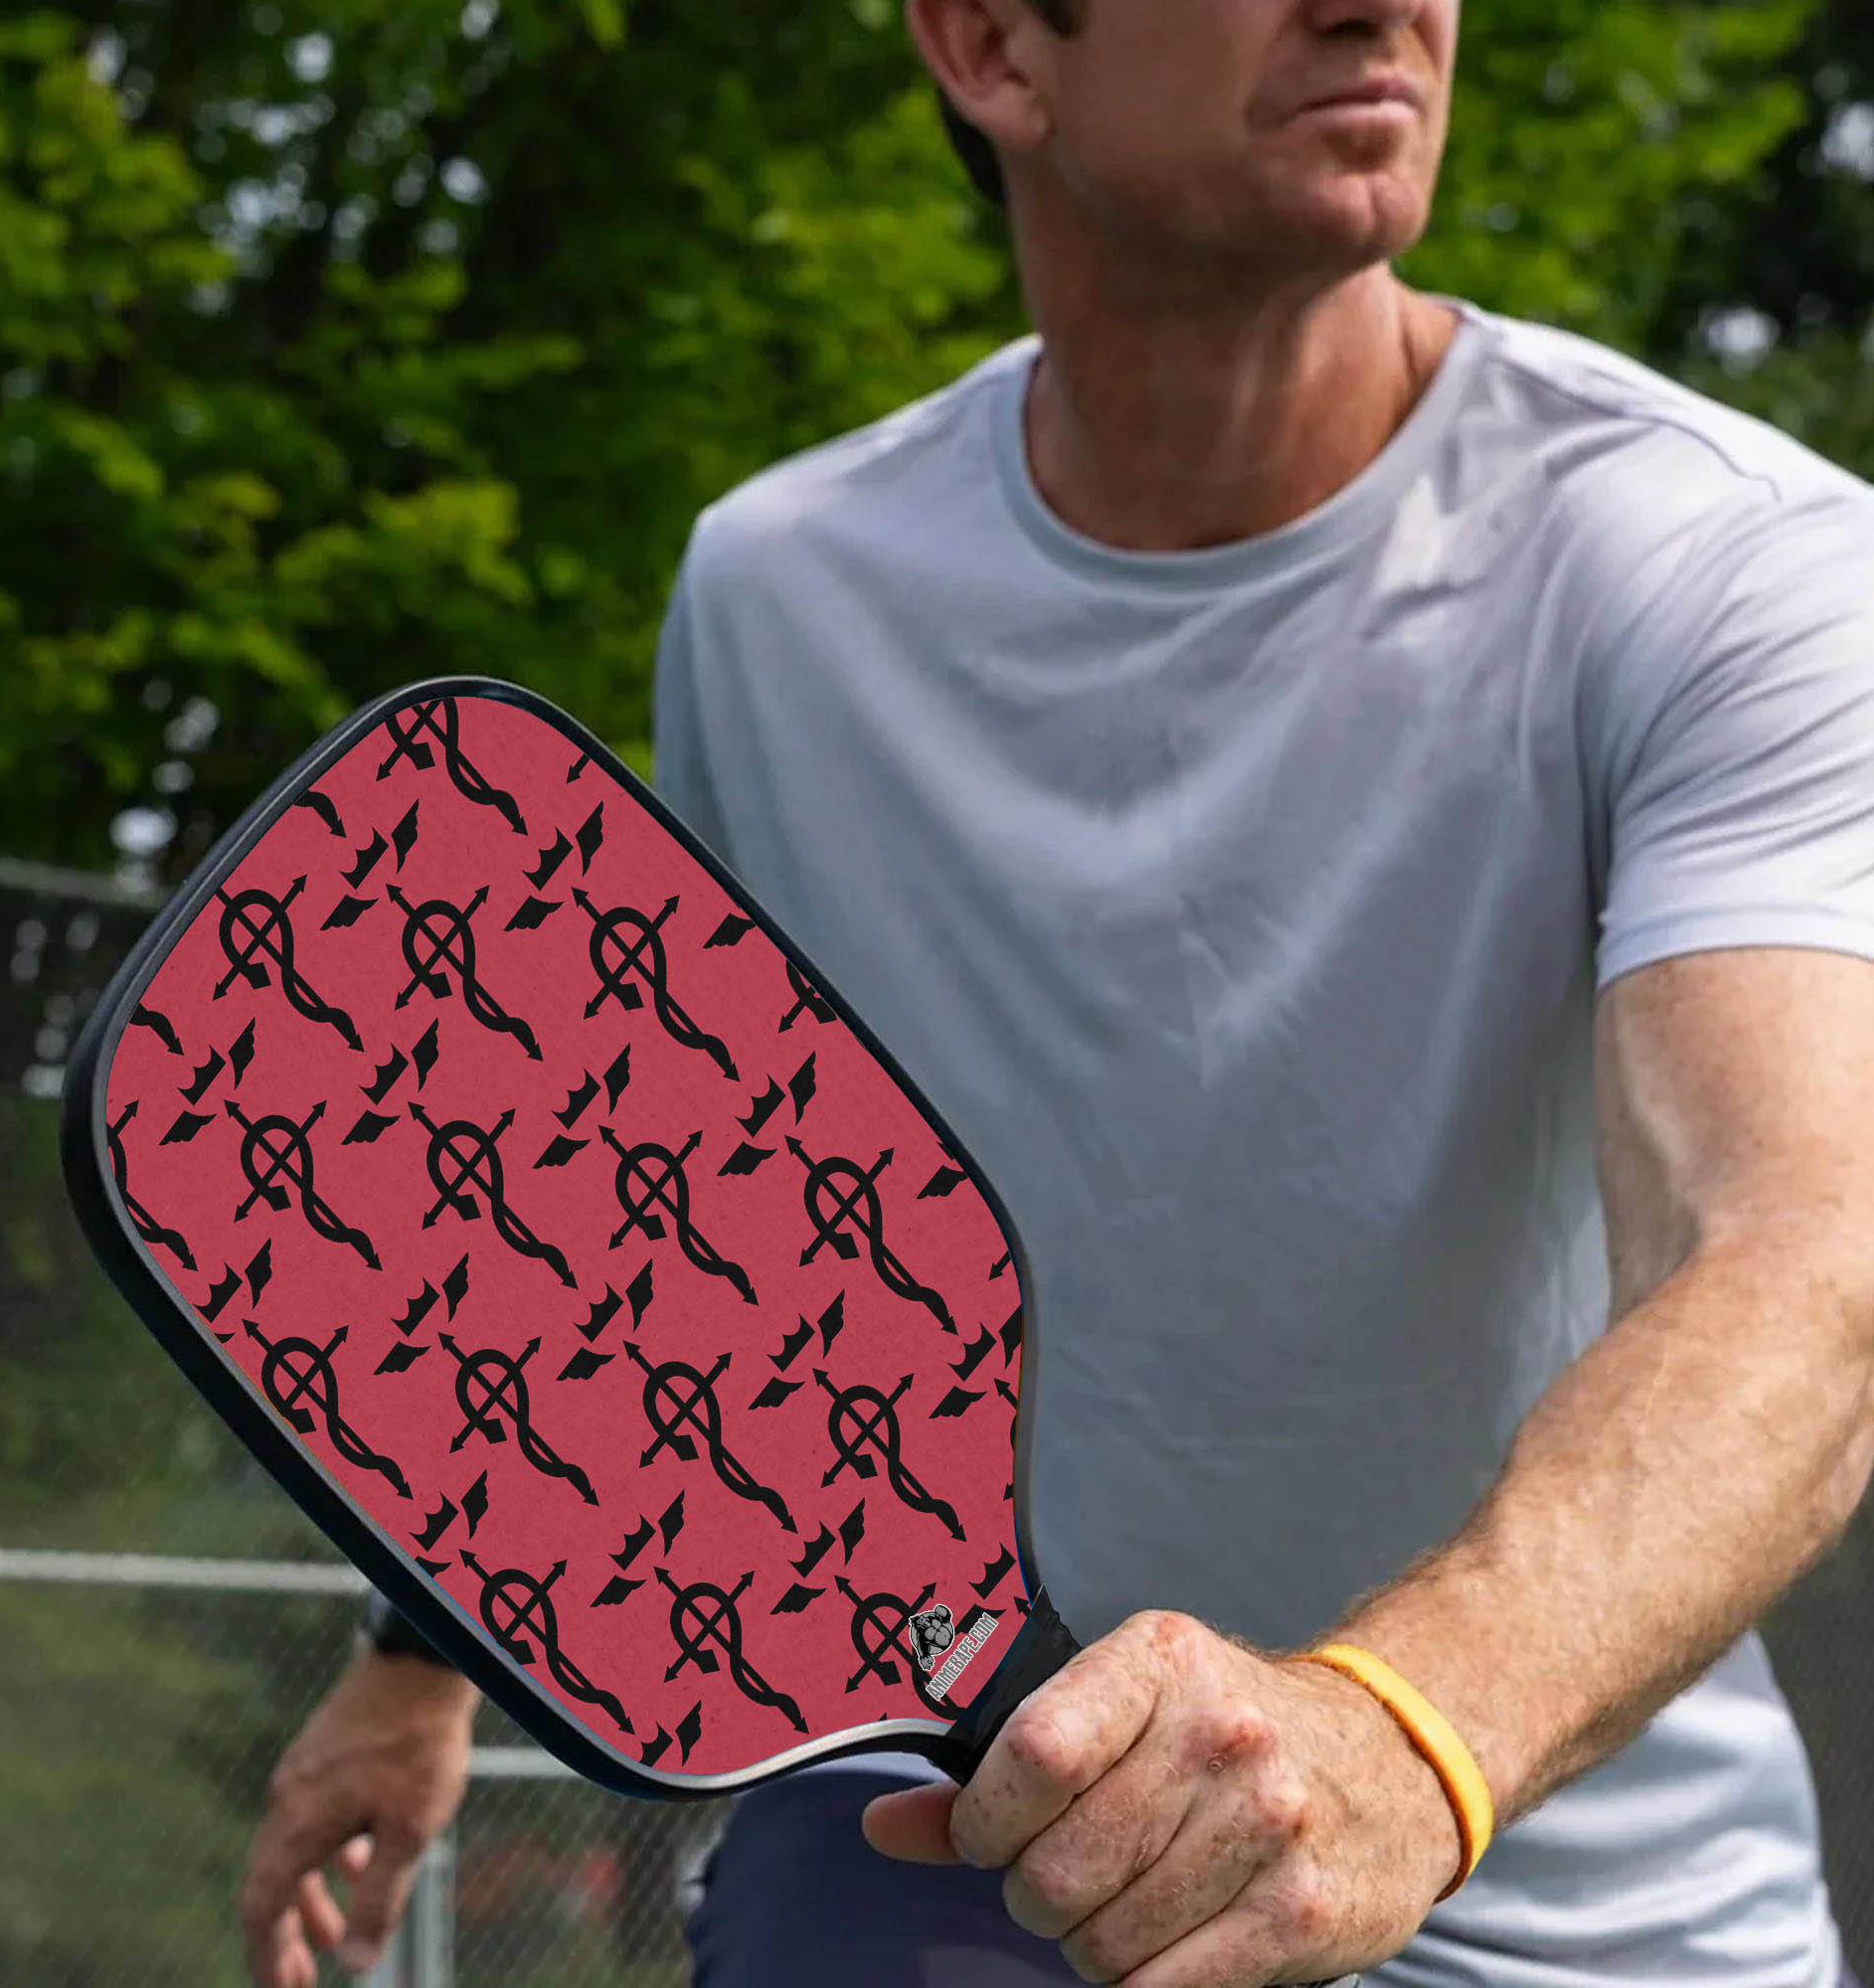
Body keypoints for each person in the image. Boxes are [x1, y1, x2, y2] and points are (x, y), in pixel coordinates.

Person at [240, 1, 1874, 1984]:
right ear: (995, 46)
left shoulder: (1729, 565)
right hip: (971, 1824)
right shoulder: (777, 597)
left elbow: (1803, 1257)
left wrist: (1393, 1734)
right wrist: (417, 1655)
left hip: (1573, 1898)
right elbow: (648, 1232)